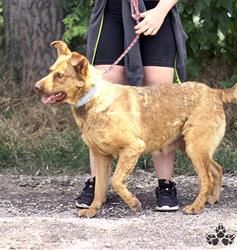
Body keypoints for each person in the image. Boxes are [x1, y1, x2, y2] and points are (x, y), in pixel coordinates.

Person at [75, 0, 187, 211]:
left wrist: (161, 11)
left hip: (157, 11)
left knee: (160, 106)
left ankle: (165, 185)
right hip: (112, 13)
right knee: (102, 103)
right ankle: (97, 183)